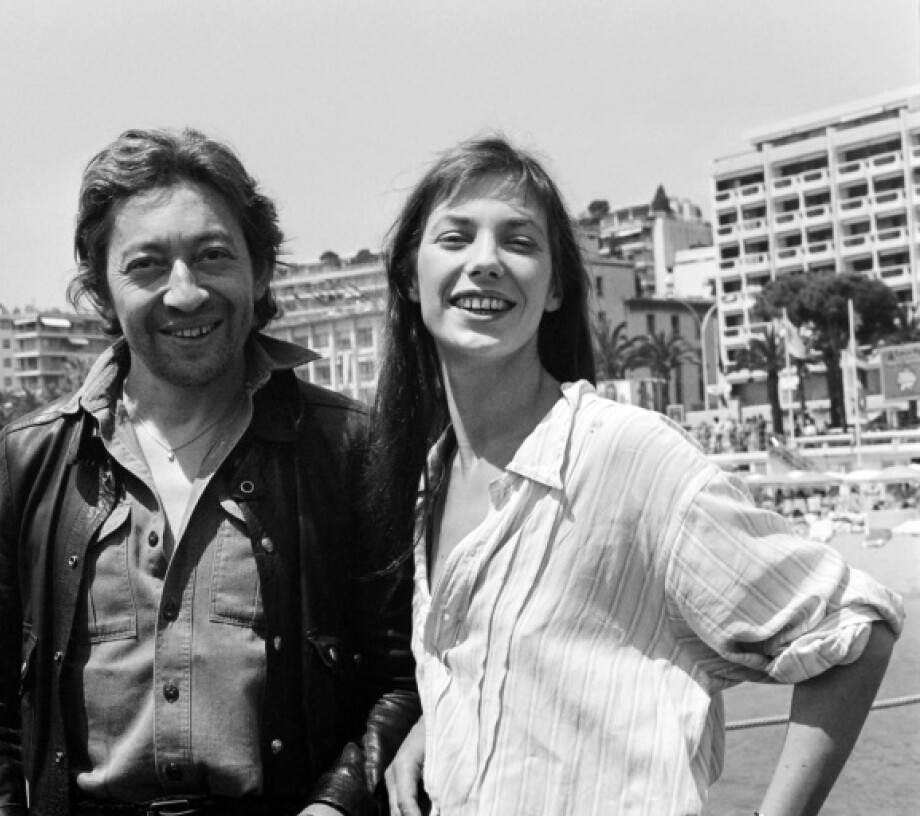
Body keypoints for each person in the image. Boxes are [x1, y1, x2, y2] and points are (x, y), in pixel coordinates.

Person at [368, 134, 904, 816]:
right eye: (455, 236)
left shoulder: (624, 455)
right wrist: (437, 728)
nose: (486, 262)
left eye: (519, 241)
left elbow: (856, 630)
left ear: (556, 287)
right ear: (411, 278)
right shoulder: (430, 481)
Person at [0, 128, 418, 816]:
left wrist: (335, 807)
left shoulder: (347, 447)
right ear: (101, 286)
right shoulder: (34, 455)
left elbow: (404, 681)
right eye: (147, 266)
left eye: (213, 256)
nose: (185, 293)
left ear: (259, 270)